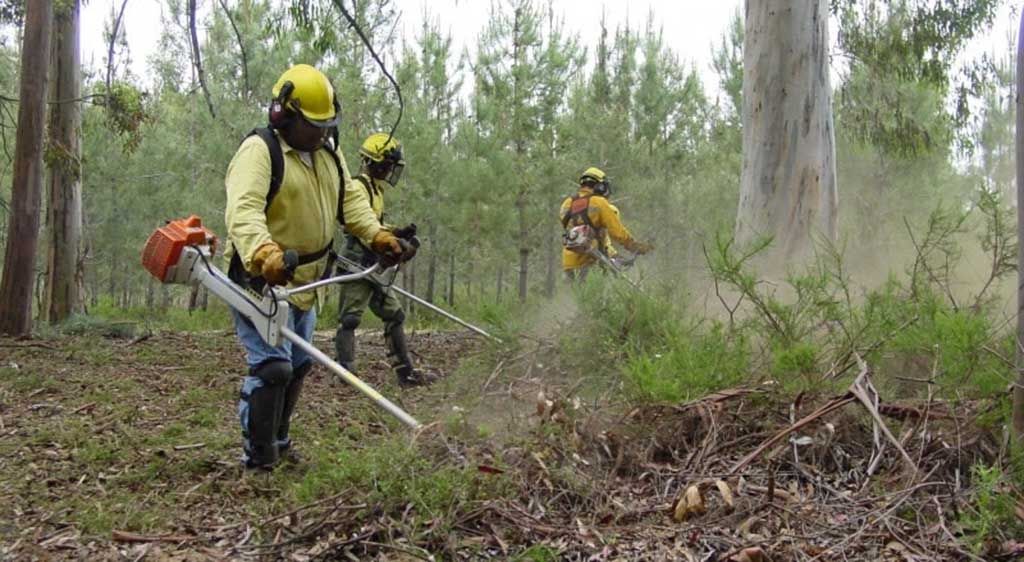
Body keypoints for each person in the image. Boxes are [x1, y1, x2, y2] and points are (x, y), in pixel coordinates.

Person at [223, 64, 402, 471]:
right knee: (273, 368)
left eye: (327, 125)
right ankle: (259, 458)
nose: (321, 134)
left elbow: (349, 204)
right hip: (263, 280)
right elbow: (244, 212)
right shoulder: (260, 151)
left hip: (309, 280)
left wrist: (378, 236)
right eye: (313, 126)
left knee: (299, 365)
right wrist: (264, 254)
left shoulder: (328, 151)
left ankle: (280, 442)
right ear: (282, 115)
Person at [333, 132, 435, 388]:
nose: (390, 170)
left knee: (395, 314)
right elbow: (360, 226)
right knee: (349, 319)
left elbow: (375, 224)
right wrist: (389, 240)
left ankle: (405, 372)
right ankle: (345, 374)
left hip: (374, 265)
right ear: (376, 163)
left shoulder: (376, 190)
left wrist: (396, 232)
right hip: (356, 262)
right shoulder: (358, 187)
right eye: (388, 165)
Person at [560, 167, 652, 280]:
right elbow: (617, 233)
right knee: (601, 295)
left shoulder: (566, 204)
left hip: (569, 264)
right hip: (592, 262)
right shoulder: (599, 203)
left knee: (578, 296)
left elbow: (577, 232)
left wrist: (613, 254)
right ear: (600, 186)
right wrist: (635, 246)